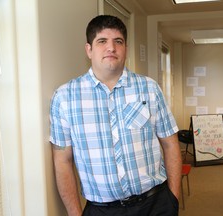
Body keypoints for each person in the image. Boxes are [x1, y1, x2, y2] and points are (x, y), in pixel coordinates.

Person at [50, 15, 182, 216]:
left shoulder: (149, 88)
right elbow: (62, 160)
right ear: (89, 50)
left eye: (118, 41)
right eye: (102, 41)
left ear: (125, 49)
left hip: (155, 204)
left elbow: (170, 143)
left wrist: (173, 199)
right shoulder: (64, 97)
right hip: (101, 210)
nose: (111, 48)